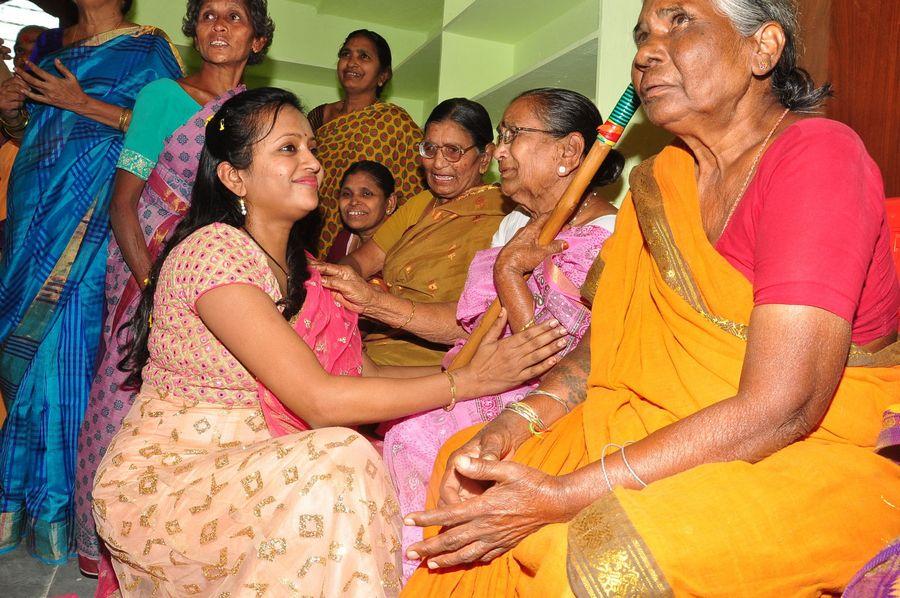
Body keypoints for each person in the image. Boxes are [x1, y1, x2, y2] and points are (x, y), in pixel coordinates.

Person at [401, 0, 900, 595]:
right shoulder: (660, 182)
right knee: (463, 458)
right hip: (668, 425)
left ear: (762, 48)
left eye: (679, 21)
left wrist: (565, 495)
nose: (645, 52)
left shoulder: (817, 157)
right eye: (642, 34)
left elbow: (785, 407)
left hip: (811, 451)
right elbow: (603, 341)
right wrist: (514, 422)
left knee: (597, 555)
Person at [93, 87, 566, 596]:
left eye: (311, 148)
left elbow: (364, 373)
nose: (314, 163)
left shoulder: (303, 269)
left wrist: (482, 374)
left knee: (404, 451)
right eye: (288, 149)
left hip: (262, 463)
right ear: (235, 178)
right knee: (343, 457)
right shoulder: (212, 253)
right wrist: (466, 381)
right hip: (177, 478)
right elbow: (320, 400)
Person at [379, 87, 622, 582]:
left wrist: (511, 276)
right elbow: (473, 327)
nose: (502, 151)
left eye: (514, 135)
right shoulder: (518, 223)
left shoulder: (611, 238)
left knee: (418, 435)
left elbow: (553, 360)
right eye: (502, 136)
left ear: (569, 153)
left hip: (549, 403)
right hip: (485, 377)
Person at [73, 0, 274, 577]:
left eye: (235, 17)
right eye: (208, 14)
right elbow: (124, 203)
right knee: (122, 403)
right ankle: (102, 549)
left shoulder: (252, 116)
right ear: (193, 31)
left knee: (205, 411)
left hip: (222, 278)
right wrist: (153, 291)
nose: (219, 26)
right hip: (147, 271)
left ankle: (182, 547)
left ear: (257, 40)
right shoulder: (163, 98)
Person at [0, 0, 183, 565]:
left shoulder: (149, 48)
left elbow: (175, 134)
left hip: (97, 217)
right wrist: (9, 111)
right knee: (19, 351)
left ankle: (56, 511)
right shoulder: (48, 45)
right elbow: (35, 126)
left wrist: (85, 105)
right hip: (33, 208)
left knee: (67, 352)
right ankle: (16, 502)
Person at [321, 98, 511, 367]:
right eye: (430, 149)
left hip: (439, 360)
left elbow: (473, 321)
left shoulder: (503, 213)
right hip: (376, 342)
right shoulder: (421, 203)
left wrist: (375, 302)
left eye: (454, 151)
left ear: (485, 157)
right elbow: (360, 260)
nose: (437, 163)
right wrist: (344, 281)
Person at [307, 29, 424, 256]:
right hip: (312, 231)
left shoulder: (395, 123)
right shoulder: (319, 116)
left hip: (371, 244)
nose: (352, 62)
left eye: (364, 57)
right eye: (346, 54)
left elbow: (415, 190)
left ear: (383, 76)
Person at [0, 25, 46, 251]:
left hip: (29, 227)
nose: (24, 58)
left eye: (35, 50)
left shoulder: (59, 108)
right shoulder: (6, 99)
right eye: (19, 50)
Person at [325, 160, 398, 263]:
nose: (354, 202)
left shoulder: (402, 246)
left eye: (366, 194)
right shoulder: (343, 240)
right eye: (346, 194)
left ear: (390, 203)